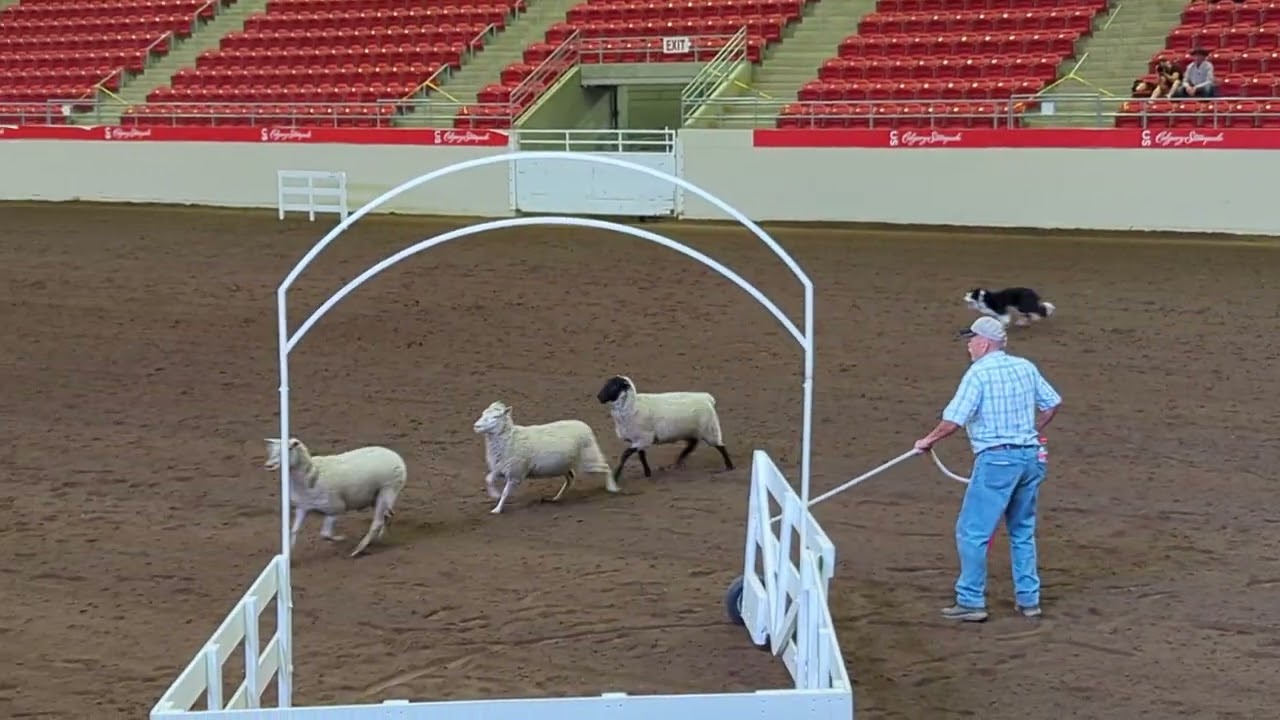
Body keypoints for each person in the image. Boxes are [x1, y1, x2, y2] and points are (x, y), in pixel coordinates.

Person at [913, 316, 1062, 622]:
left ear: (983, 343)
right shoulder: (1025, 367)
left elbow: (954, 419)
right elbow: (1051, 404)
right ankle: (1029, 600)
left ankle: (970, 600)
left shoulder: (977, 374)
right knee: (1022, 530)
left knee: (972, 531)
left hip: (997, 460)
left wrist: (927, 440)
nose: (968, 345)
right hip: (1030, 457)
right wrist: (1031, 430)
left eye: (971, 340)